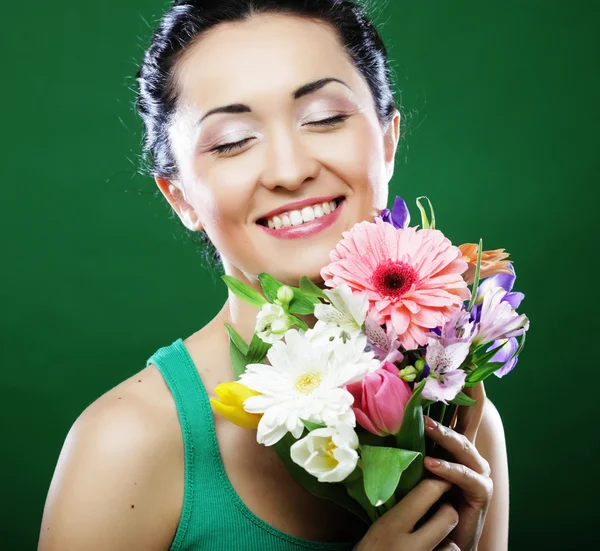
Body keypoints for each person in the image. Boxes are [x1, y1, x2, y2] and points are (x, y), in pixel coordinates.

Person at [38, 1, 509, 549]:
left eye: (325, 117)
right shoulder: (125, 442)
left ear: (387, 141)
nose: (290, 171)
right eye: (234, 140)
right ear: (180, 197)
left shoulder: (456, 421)